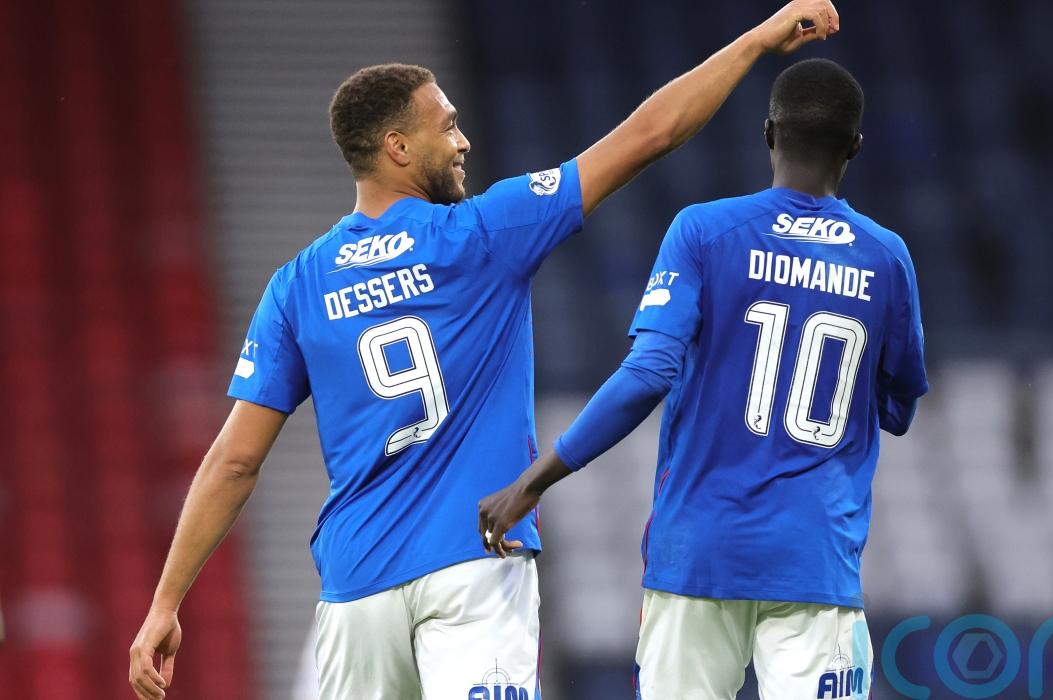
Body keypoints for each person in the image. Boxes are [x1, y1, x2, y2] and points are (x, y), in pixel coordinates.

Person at [126, 3, 842, 699]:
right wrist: (754, 41)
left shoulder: (297, 285)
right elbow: (650, 133)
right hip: (474, 563)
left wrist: (165, 603)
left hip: (356, 589)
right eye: (447, 126)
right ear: (398, 148)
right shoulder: (486, 233)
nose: (463, 142)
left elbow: (236, 460)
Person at [478, 57, 927, 700]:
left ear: (768, 133)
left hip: (698, 551)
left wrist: (533, 481)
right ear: (855, 145)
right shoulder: (885, 256)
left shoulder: (704, 231)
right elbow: (899, 407)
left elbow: (647, 374)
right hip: (814, 558)